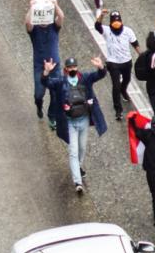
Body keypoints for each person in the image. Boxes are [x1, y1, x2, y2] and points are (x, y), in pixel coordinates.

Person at [43, 55, 107, 195]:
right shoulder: (61, 81)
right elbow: (47, 83)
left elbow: (100, 74)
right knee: (73, 151)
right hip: (69, 122)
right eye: (70, 67)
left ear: (77, 68)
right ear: (66, 69)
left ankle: (77, 166)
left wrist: (101, 66)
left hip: (83, 120)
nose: (72, 69)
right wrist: (46, 72)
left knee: (82, 148)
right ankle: (77, 182)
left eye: (74, 67)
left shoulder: (85, 78)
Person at [94, 9, 137, 121]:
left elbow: (135, 44)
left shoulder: (128, 31)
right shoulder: (107, 30)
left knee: (127, 79)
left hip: (126, 61)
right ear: (110, 23)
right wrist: (101, 16)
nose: (116, 24)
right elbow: (97, 26)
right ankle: (118, 110)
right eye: (114, 22)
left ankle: (124, 90)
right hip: (113, 63)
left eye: (118, 22)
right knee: (116, 85)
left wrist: (143, 56)